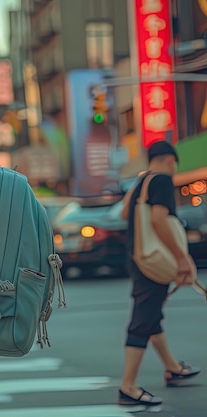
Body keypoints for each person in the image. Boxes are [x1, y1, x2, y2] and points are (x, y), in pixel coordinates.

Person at [118, 141, 201, 407]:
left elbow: (122, 213)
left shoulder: (141, 183)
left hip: (137, 259)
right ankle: (128, 388)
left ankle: (173, 368)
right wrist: (182, 257)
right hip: (154, 261)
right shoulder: (162, 181)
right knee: (143, 321)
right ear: (169, 160)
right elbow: (158, 220)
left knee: (151, 315)